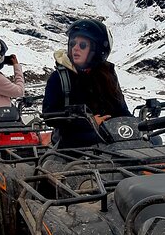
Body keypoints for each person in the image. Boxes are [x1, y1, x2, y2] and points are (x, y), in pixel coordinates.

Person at [42, 18, 130, 147]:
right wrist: (87, 122)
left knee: (153, 140)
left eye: (82, 45)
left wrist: (136, 125)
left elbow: (120, 108)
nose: (75, 48)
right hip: (71, 139)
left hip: (111, 135)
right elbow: (49, 115)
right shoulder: (59, 77)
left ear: (97, 50)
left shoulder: (107, 74)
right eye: (73, 43)